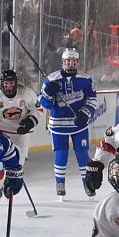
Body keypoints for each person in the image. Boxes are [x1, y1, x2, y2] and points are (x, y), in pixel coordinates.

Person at [39, 48, 98, 199]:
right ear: (63, 62)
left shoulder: (85, 79)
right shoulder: (52, 79)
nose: (70, 64)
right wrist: (48, 93)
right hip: (58, 125)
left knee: (82, 153)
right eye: (67, 61)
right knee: (61, 153)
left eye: (73, 61)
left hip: (79, 125)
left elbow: (92, 99)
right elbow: (44, 103)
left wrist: (85, 113)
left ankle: (87, 183)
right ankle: (60, 183)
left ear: (77, 62)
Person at [0, 69, 42, 204]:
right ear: (2, 83)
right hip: (1, 134)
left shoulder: (26, 93)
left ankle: (11, 187)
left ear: (16, 83)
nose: (9, 86)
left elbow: (37, 109)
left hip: (21, 135)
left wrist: (29, 122)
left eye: (12, 83)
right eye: (6, 83)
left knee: (16, 164)